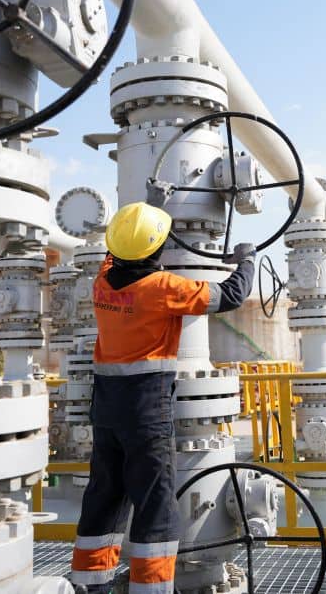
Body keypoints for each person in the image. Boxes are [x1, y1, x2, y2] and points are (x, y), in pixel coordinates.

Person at [70, 202, 257, 594]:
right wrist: (247, 260)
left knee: (104, 495)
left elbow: (122, 248)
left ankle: (90, 584)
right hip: (145, 410)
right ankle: (150, 588)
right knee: (154, 504)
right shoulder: (162, 288)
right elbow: (230, 295)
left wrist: (151, 204)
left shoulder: (102, 281)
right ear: (155, 249)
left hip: (106, 409)